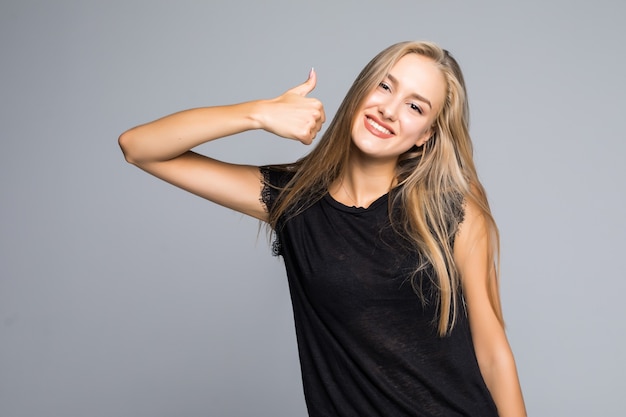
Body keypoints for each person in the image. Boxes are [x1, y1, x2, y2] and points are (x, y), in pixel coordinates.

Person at [119, 40, 526, 417]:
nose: (389, 109)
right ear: (362, 89)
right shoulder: (293, 199)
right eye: (385, 87)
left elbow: (492, 349)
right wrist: (257, 113)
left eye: (415, 107)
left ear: (426, 136)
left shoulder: (452, 206)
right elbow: (139, 147)